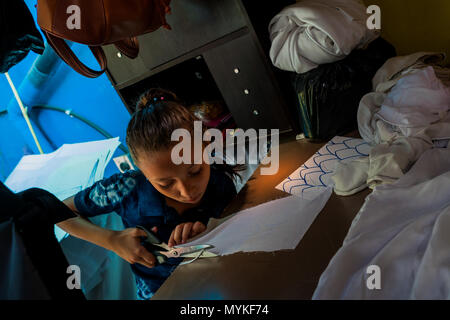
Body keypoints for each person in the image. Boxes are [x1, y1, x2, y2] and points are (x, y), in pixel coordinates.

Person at [57, 88, 242, 300]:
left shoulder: (221, 184)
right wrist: (112, 240)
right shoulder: (127, 188)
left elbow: (235, 240)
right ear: (143, 172)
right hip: (157, 293)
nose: (186, 191)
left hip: (217, 282)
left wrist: (210, 232)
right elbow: (60, 211)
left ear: (206, 145)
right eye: (165, 183)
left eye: (195, 171)